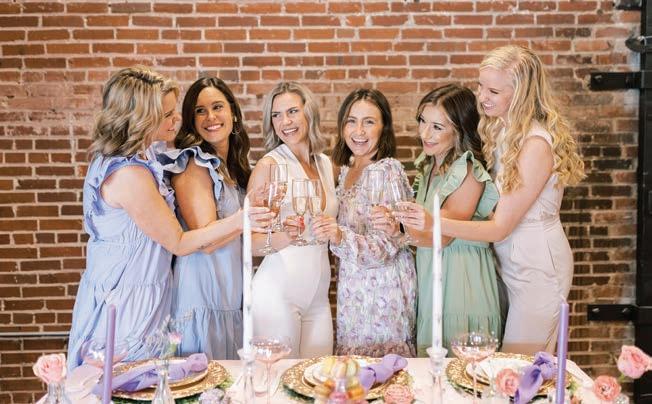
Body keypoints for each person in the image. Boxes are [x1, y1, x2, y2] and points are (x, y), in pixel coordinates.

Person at [67, 67, 271, 369]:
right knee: (127, 381)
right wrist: (242, 218)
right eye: (167, 114)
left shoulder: (139, 158)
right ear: (141, 118)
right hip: (127, 299)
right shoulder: (129, 175)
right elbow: (179, 241)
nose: (177, 119)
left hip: (140, 288)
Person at [396, 45, 585, 354]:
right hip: (506, 262)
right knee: (501, 363)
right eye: (481, 86)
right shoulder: (501, 131)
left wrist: (434, 222)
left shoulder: (535, 145)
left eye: (493, 91)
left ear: (521, 94)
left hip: (536, 268)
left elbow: (499, 227)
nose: (482, 97)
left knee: (520, 365)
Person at [158, 76, 269, 360]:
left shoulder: (234, 169)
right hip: (202, 297)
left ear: (233, 112)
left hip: (231, 296)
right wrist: (247, 219)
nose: (210, 117)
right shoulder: (193, 164)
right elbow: (205, 241)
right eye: (200, 111)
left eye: (217, 107)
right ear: (191, 120)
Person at [390, 85, 502, 356]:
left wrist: (400, 230)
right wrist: (395, 227)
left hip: (461, 282)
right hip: (434, 278)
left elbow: (443, 235)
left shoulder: (468, 170)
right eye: (422, 121)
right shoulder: (429, 166)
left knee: (460, 367)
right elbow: (423, 230)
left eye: (437, 127)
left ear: (460, 130)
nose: (425, 134)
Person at [311, 88, 416, 357]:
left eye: (369, 122)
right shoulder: (346, 170)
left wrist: (338, 236)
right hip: (353, 290)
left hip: (383, 292)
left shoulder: (386, 170)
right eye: (351, 121)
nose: (359, 131)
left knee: (384, 371)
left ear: (384, 128)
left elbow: (386, 246)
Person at [248, 81, 337, 358]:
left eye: (292, 112)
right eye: (276, 115)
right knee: (277, 378)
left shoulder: (325, 164)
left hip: (319, 299)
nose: (284, 122)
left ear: (309, 113)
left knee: (318, 376)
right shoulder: (269, 166)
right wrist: (284, 237)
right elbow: (250, 243)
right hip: (277, 294)